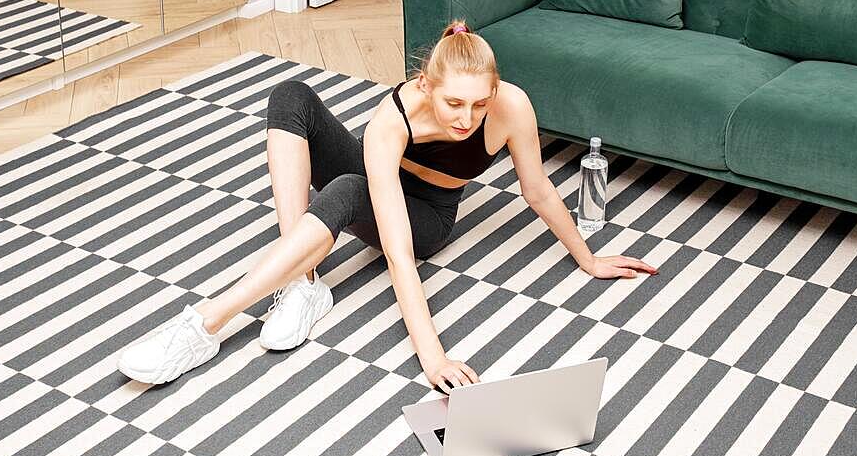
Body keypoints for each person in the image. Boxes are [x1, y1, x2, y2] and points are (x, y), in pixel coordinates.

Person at [116, 20, 658, 390]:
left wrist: (587, 258)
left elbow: (530, 192)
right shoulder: (391, 118)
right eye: (453, 103)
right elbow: (384, 227)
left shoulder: (511, 106)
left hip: (428, 218)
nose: (467, 118)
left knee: (346, 193)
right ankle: (299, 287)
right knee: (291, 97)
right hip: (384, 182)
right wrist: (433, 353)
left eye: (479, 102)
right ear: (425, 84)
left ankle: (205, 324)